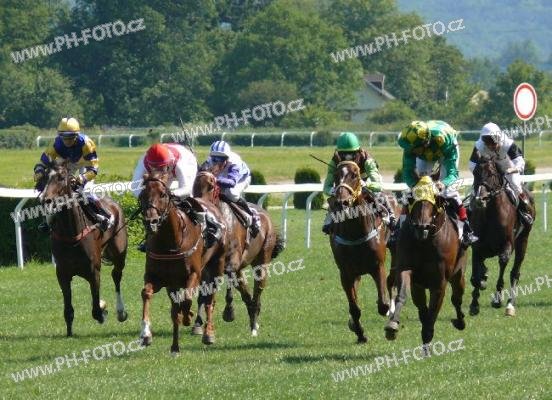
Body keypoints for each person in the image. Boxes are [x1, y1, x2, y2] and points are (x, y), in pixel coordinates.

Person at [398, 120, 477, 246]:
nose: (411, 152)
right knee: (414, 192)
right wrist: (415, 185)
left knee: (448, 191)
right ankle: (398, 230)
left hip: (445, 150)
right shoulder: (411, 146)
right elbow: (407, 173)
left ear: (425, 143)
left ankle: (467, 230)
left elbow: (452, 173)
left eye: (414, 149)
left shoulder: (444, 141)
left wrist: (443, 183)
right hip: (426, 154)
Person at [132, 143, 222, 250]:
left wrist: (169, 195)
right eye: (154, 168)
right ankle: (150, 236)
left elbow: (186, 189)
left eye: (161, 168)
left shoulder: (181, 163)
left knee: (189, 199)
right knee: (154, 202)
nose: (158, 172)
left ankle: (207, 226)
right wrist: (149, 199)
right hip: (168, 166)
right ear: (149, 164)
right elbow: (135, 188)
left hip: (186, 160)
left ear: (168, 164)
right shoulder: (144, 161)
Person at [33, 117, 113, 232]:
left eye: (70, 137)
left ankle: (104, 215)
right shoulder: (55, 144)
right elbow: (42, 163)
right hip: (68, 163)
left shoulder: (87, 143)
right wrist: (39, 172)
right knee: (51, 191)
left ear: (76, 135)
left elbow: (94, 169)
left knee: (86, 190)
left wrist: (81, 178)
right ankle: (47, 221)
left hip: (85, 164)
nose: (67, 141)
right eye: (64, 137)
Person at [321, 131, 396, 234]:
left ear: (357, 151)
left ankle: (391, 217)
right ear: (338, 152)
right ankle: (329, 219)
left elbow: (378, 185)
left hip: (366, 183)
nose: (347, 157)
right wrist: (333, 190)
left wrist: (367, 184)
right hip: (347, 187)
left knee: (380, 195)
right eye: (343, 154)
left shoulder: (367, 159)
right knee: (337, 199)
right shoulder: (334, 161)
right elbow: (326, 187)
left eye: (351, 154)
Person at [468, 122, 533, 225]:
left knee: (516, 185)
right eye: (487, 142)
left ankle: (524, 211)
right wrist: (481, 171)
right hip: (489, 169)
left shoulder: (508, 143)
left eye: (493, 142)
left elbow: (520, 161)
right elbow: (471, 165)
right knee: (474, 191)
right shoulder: (479, 145)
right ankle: (469, 216)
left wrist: (512, 170)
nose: (490, 146)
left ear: (499, 138)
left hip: (507, 167)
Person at [200, 140, 260, 237]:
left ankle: (251, 213)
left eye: (221, 159)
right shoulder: (209, 160)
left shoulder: (234, 162)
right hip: (222, 176)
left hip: (241, 178)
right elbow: (200, 173)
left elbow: (232, 182)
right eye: (214, 159)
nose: (217, 161)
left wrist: (214, 179)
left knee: (231, 193)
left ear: (227, 158)